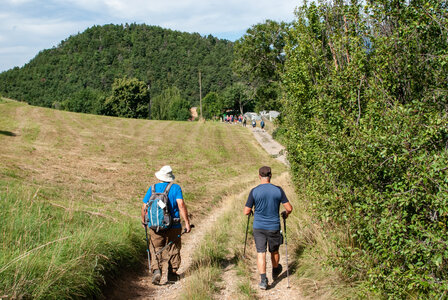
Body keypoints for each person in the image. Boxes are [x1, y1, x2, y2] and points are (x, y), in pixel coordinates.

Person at [244, 166, 293, 290]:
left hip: (258, 227)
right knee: (274, 251)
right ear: (271, 176)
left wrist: (251, 211)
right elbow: (289, 208)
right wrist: (285, 214)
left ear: (259, 176)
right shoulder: (278, 190)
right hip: (273, 226)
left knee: (261, 252)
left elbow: (246, 211)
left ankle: (263, 280)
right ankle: (276, 270)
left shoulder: (254, 191)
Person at [141, 165, 191, 284]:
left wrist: (144, 221)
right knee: (173, 247)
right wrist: (187, 223)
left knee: (156, 248)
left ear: (160, 177)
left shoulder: (152, 188)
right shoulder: (175, 188)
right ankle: (172, 274)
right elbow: (181, 204)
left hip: (154, 226)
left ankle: (156, 271)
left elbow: (144, 207)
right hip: (173, 225)